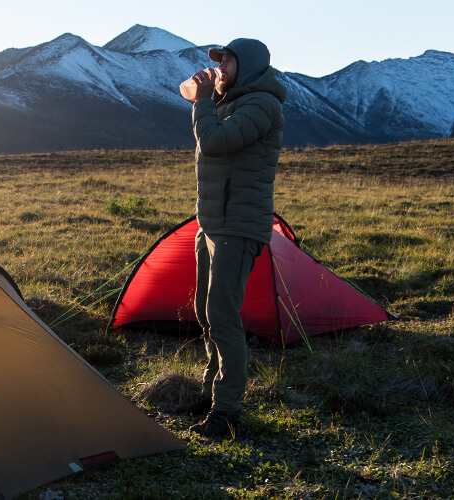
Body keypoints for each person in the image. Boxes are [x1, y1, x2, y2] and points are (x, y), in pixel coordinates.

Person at [183, 38, 286, 440]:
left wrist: (203, 100)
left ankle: (226, 411)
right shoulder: (231, 102)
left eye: (228, 60)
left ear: (251, 65)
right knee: (207, 314)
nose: (221, 66)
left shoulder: (262, 104)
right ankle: (211, 395)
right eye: (219, 59)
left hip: (237, 227)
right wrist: (206, 98)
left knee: (223, 316)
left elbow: (214, 143)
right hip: (212, 223)